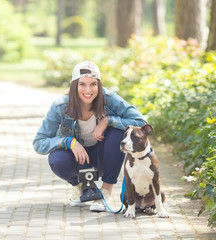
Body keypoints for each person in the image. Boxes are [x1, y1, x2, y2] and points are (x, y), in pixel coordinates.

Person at [33, 61, 147, 212]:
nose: (88, 90)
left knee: (118, 133)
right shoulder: (60, 106)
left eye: (93, 84)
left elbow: (141, 122)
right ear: (74, 85)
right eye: (82, 84)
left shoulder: (109, 98)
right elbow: (39, 142)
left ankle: (106, 192)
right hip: (77, 160)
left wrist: (108, 120)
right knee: (57, 159)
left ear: (99, 85)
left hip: (103, 157)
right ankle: (80, 186)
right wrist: (69, 142)